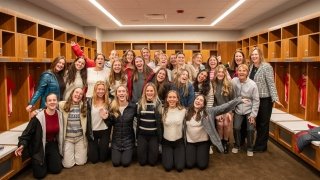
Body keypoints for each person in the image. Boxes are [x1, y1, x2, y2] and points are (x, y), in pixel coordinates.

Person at [185, 94, 246, 169]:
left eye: (201, 100)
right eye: (197, 99)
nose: (198, 101)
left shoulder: (209, 112)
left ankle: (201, 153)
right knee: (189, 164)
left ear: (204, 104)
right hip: (190, 142)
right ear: (194, 100)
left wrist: (238, 101)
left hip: (203, 142)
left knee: (202, 166)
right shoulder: (186, 111)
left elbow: (224, 107)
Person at [16, 93, 63, 179]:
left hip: (52, 144)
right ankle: (41, 161)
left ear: (57, 102)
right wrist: (22, 145)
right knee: (39, 175)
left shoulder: (60, 115)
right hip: (39, 146)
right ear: (45, 103)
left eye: (54, 100)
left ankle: (47, 160)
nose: (52, 102)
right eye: (49, 100)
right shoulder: (37, 117)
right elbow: (27, 133)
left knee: (56, 170)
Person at [248, 47, 282, 152]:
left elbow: (271, 83)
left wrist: (275, 98)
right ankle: (258, 144)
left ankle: (261, 147)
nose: (254, 56)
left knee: (263, 123)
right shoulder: (251, 67)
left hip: (265, 99)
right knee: (256, 122)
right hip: (254, 99)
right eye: (252, 55)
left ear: (260, 55)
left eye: (256, 54)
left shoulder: (267, 67)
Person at [232, 64, 260, 156]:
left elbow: (256, 100)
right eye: (240, 70)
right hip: (238, 109)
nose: (241, 72)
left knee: (250, 129)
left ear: (247, 72)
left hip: (249, 110)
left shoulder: (252, 84)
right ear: (237, 72)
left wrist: (253, 115)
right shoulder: (234, 81)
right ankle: (237, 145)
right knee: (236, 127)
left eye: (244, 70)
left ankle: (250, 147)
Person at [108, 85, 136, 167]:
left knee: (125, 163)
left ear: (127, 93)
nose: (121, 93)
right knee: (116, 163)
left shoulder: (133, 106)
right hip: (116, 142)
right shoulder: (112, 107)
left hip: (128, 142)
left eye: (123, 91)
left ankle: (129, 151)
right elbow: (110, 123)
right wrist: (106, 118)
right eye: (119, 91)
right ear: (116, 94)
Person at [59, 87, 88, 168]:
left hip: (80, 139)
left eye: (81, 94)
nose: (78, 95)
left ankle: (78, 153)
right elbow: (51, 106)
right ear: (72, 93)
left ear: (82, 97)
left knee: (81, 162)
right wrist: (37, 111)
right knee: (67, 165)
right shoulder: (62, 105)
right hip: (68, 139)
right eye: (76, 92)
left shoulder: (84, 107)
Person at [136, 83, 163, 166]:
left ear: (154, 92)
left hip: (154, 136)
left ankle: (151, 149)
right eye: (147, 91)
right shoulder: (140, 103)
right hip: (142, 135)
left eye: (151, 91)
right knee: (142, 162)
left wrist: (160, 138)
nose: (149, 92)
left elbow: (160, 122)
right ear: (145, 92)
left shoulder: (159, 104)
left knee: (152, 162)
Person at [161, 90, 186, 172]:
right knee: (168, 167)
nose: (172, 99)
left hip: (179, 142)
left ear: (177, 99)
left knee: (179, 168)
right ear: (167, 99)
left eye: (174, 97)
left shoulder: (183, 111)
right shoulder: (162, 110)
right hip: (166, 142)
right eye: (170, 97)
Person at [86, 81, 111, 163]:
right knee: (94, 160)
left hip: (104, 130)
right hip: (93, 131)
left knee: (103, 159)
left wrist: (107, 117)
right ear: (95, 90)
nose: (101, 91)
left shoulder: (109, 101)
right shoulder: (89, 101)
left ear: (105, 91)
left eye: (103, 89)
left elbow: (112, 119)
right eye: (99, 89)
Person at [212, 65, 234, 153]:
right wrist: (217, 113)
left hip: (228, 109)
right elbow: (212, 101)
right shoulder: (212, 84)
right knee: (220, 125)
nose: (220, 74)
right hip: (217, 110)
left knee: (226, 124)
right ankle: (220, 142)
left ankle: (225, 143)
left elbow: (232, 100)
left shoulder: (229, 84)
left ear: (225, 73)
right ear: (216, 73)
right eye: (218, 72)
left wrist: (229, 112)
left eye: (222, 72)